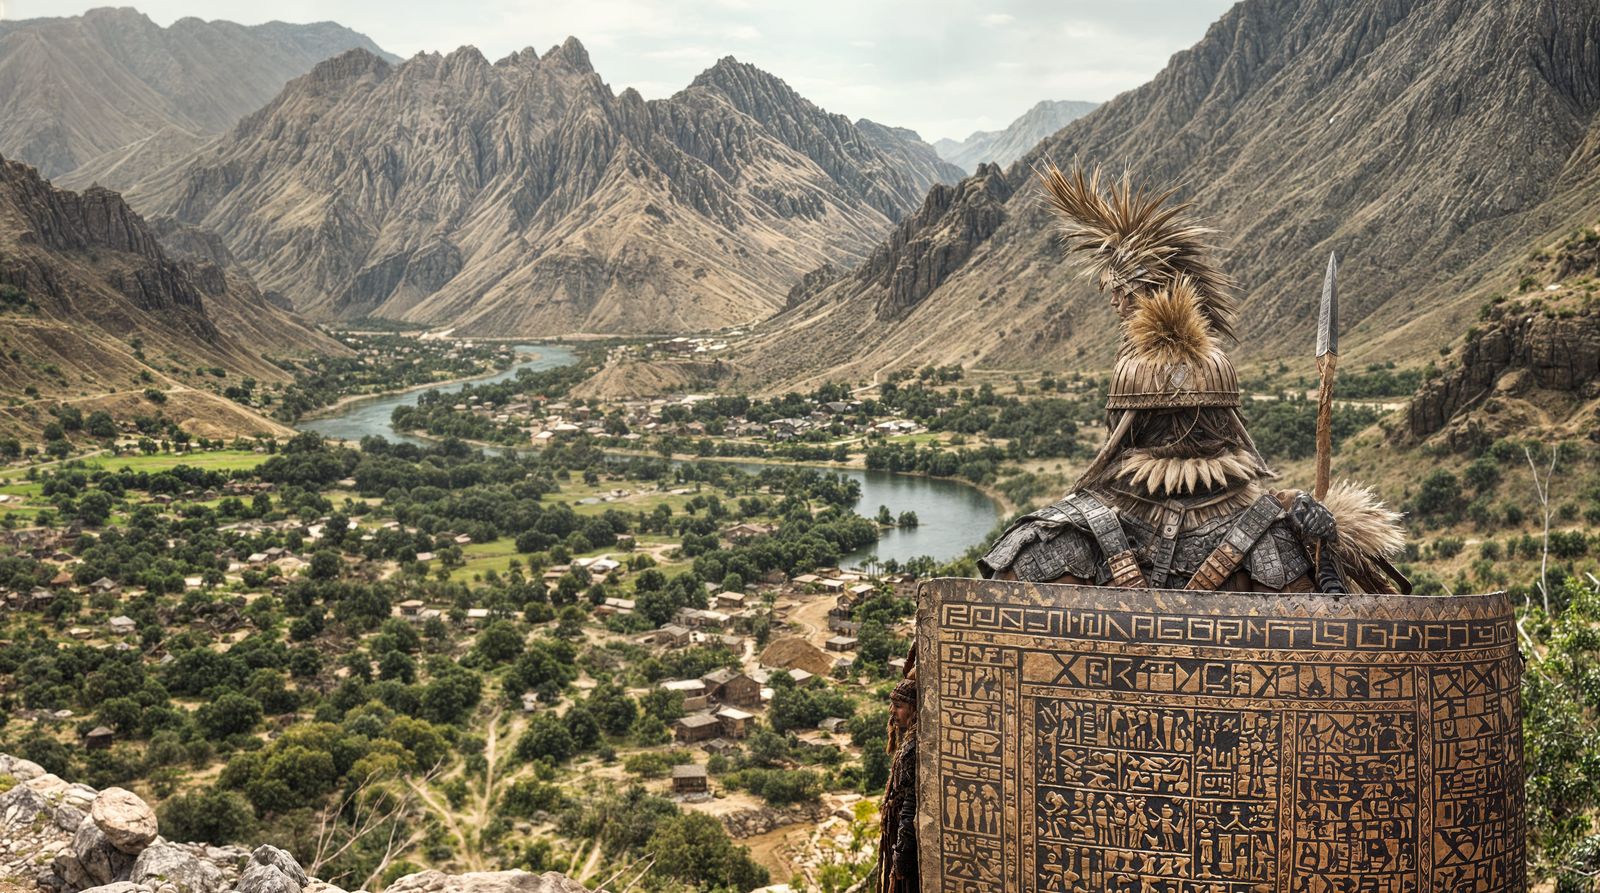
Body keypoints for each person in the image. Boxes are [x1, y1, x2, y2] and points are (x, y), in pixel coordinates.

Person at [978, 164, 1408, 595]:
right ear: (1223, 418)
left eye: (1120, 291)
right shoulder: (1288, 548)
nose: (1113, 301)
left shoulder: (1043, 547)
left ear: (1124, 421)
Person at [877, 676, 919, 893]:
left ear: (913, 709)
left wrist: (902, 852)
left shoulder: (913, 748)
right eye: (892, 705)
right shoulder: (910, 741)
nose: (892, 711)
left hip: (905, 838)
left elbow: (910, 804)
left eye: (899, 706)